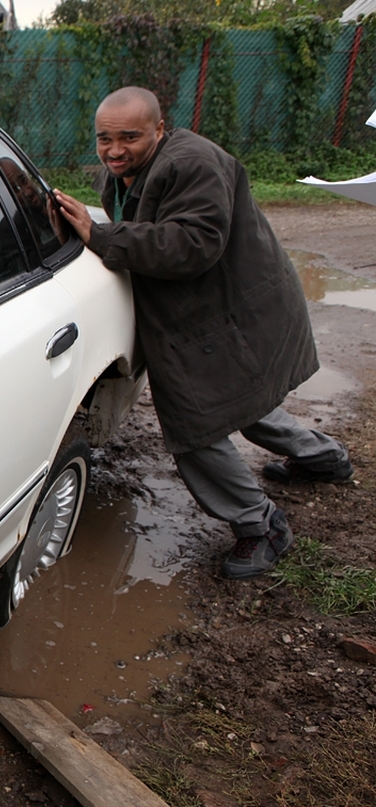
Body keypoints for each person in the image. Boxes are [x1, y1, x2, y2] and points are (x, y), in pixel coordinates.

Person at [53, 86, 352, 580]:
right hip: (220, 312)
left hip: (231, 313)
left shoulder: (192, 164)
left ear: (159, 129)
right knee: (245, 402)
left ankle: (262, 525)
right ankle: (324, 457)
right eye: (104, 138)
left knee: (195, 426)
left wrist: (102, 235)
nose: (114, 150)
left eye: (129, 136)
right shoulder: (131, 172)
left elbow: (194, 243)